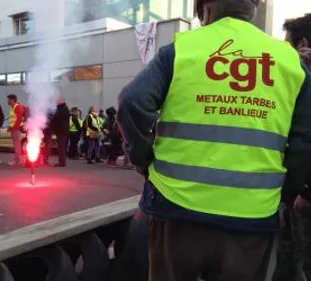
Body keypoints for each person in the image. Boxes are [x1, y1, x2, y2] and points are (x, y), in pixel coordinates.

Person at [117, 0, 311, 280]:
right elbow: (306, 139)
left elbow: (132, 102)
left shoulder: (181, 50)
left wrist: (142, 160)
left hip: (176, 209)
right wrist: (285, 189)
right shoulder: (289, 61)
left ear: (205, 11)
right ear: (252, 9)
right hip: (252, 217)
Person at [273, 14, 311, 281]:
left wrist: (307, 191)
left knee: (295, 260)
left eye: (287, 43)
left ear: (303, 44)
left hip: (303, 196)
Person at [7, 94, 25, 166]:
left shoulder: (17, 107)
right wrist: (10, 127)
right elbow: (13, 119)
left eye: (8, 100)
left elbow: (19, 119)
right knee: (16, 145)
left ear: (12, 100)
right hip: (14, 129)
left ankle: (17, 160)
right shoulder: (13, 107)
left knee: (17, 145)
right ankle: (17, 160)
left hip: (16, 129)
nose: (7, 101)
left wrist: (13, 127)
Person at [53, 98, 70, 167]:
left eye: (58, 101)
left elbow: (59, 117)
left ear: (62, 101)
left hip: (62, 131)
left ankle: (62, 162)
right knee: (61, 147)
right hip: (61, 130)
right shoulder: (61, 109)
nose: (57, 102)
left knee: (61, 147)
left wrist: (55, 116)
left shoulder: (63, 109)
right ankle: (61, 161)